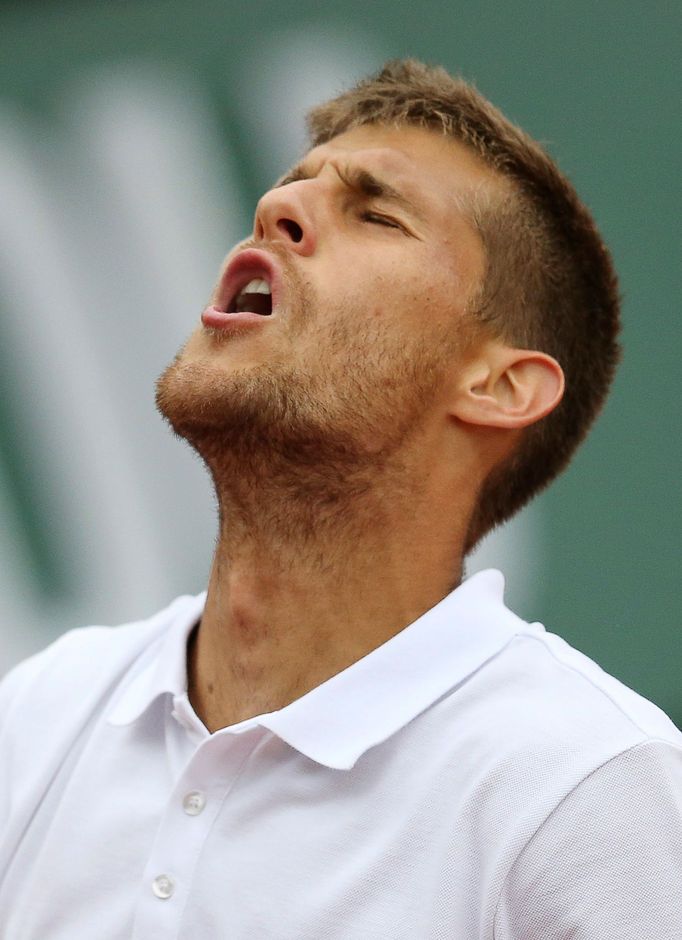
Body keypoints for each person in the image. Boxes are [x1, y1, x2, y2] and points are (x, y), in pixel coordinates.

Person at [0, 58, 680, 939]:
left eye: (377, 214)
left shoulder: (588, 787)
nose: (276, 210)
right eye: (293, 187)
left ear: (501, 385)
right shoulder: (43, 710)